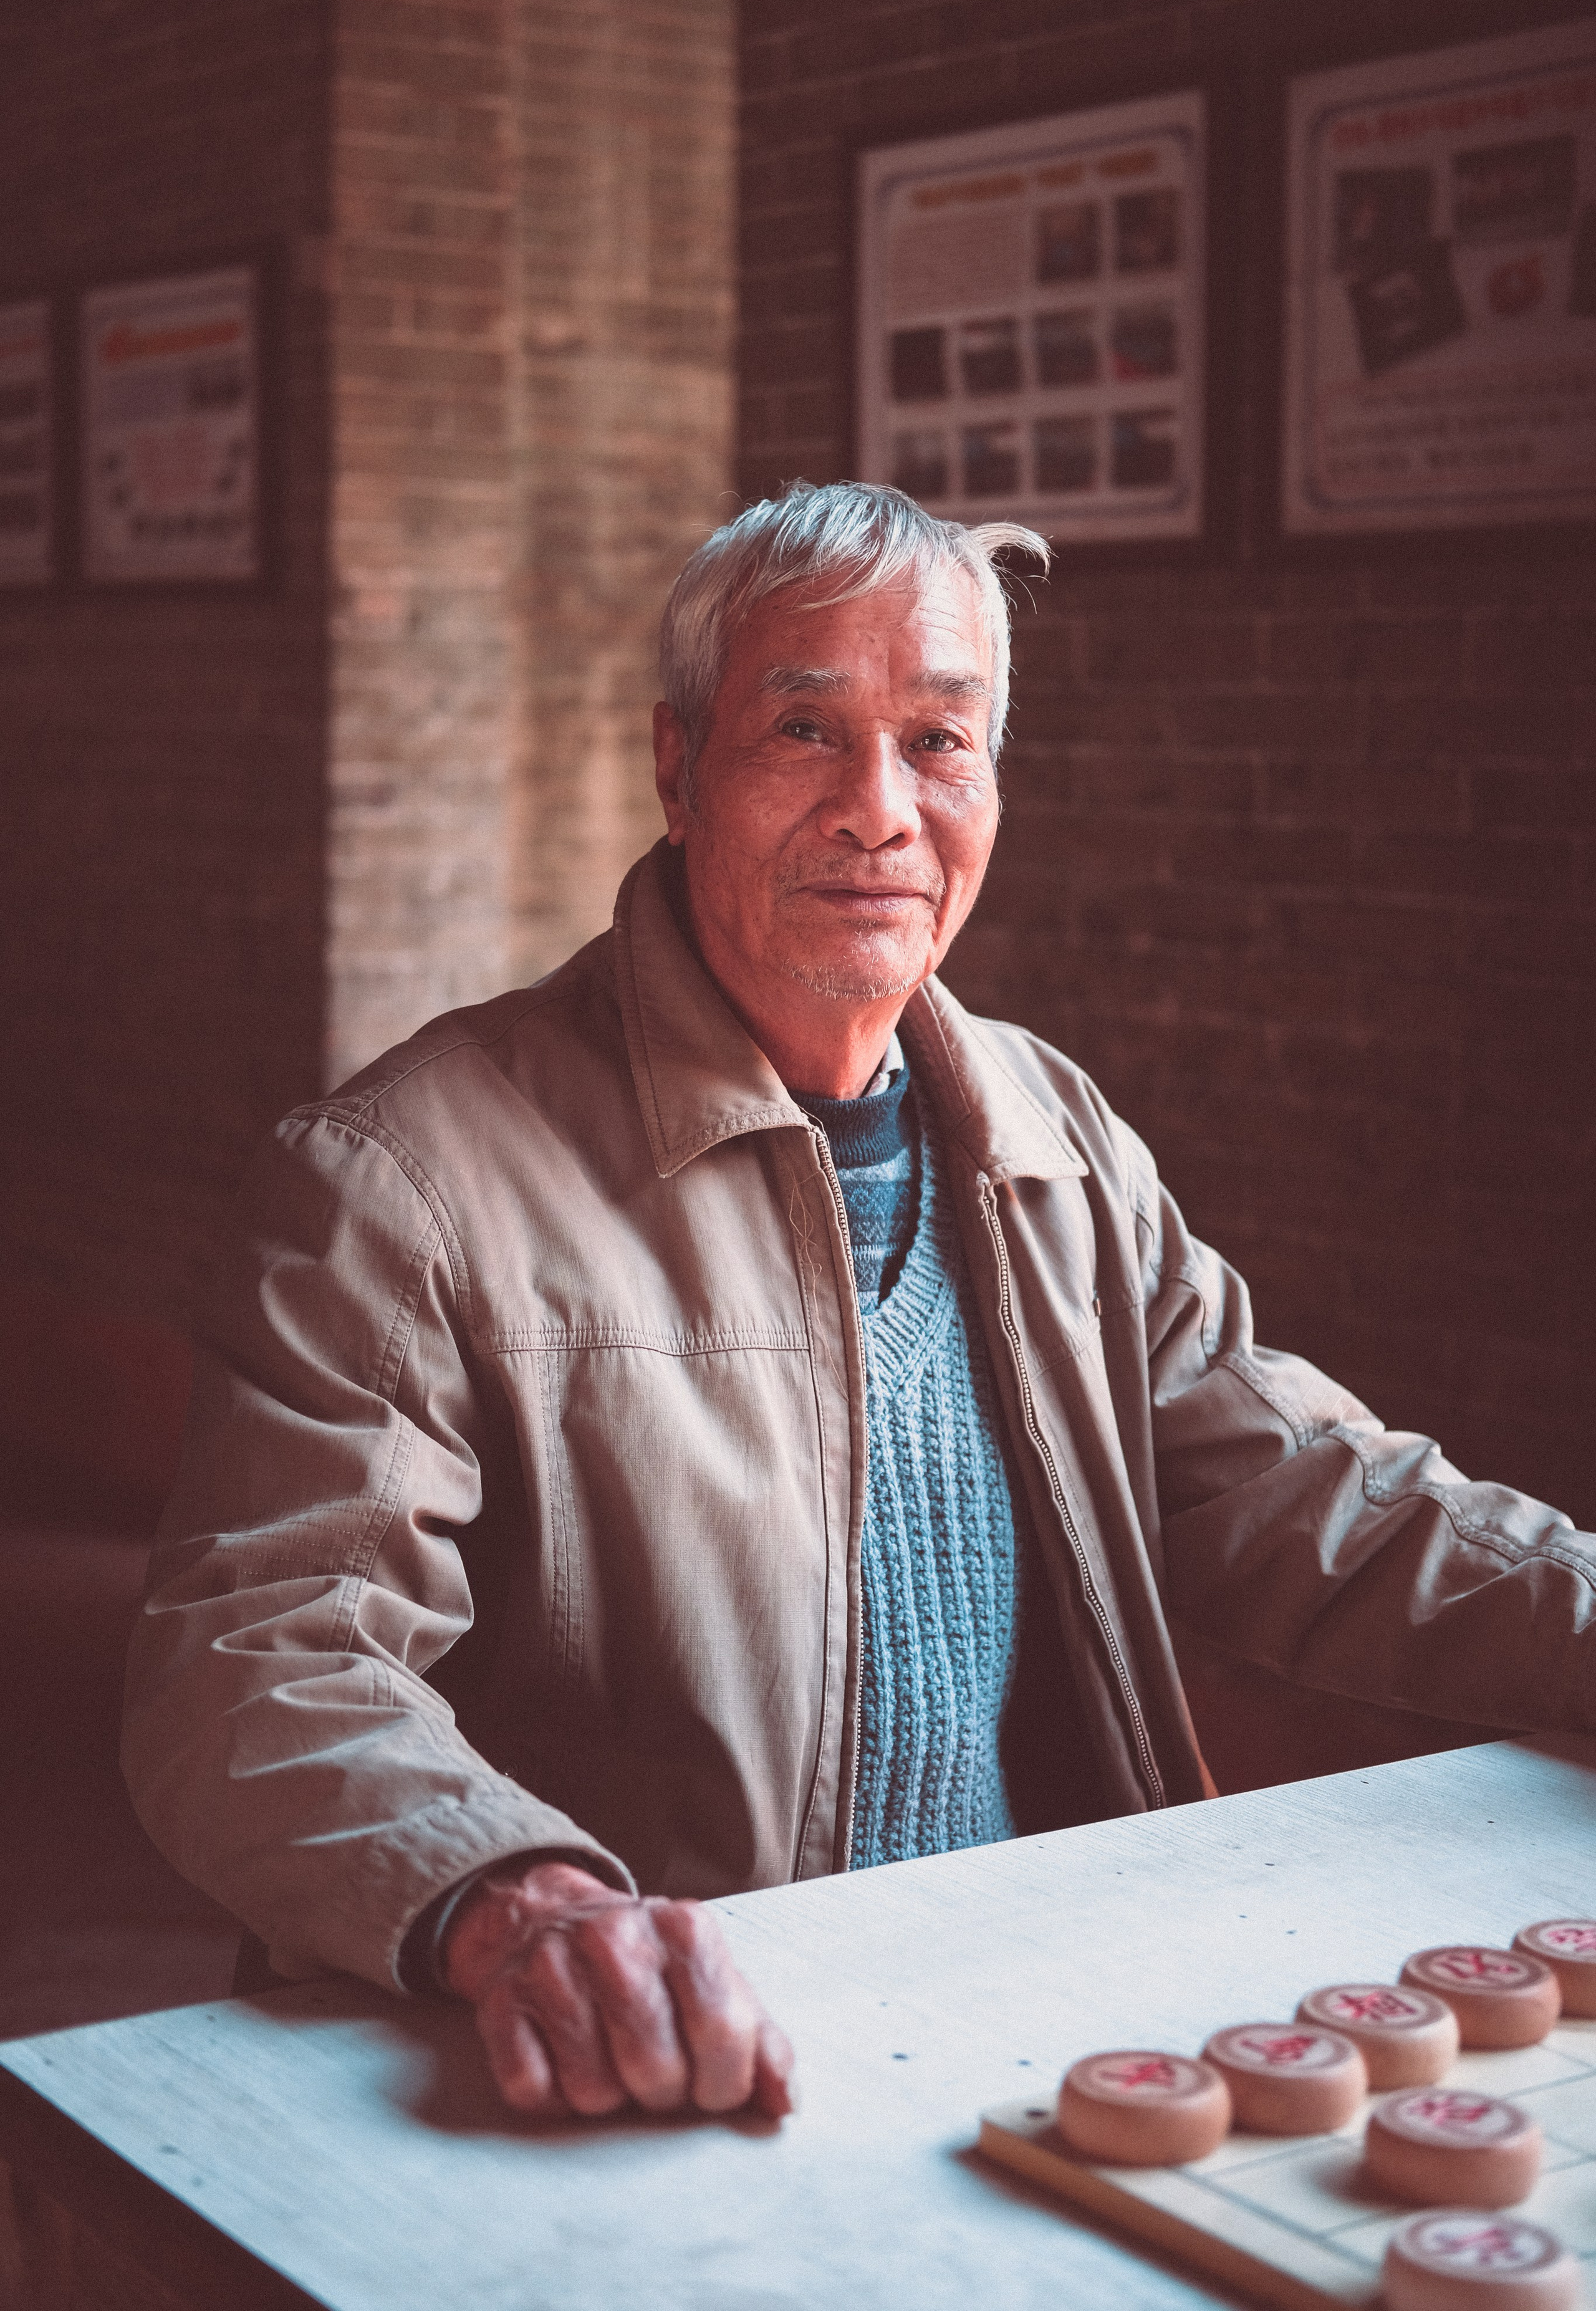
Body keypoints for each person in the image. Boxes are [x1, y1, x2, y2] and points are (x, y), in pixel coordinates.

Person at [123, 482, 1594, 2126]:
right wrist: (516, 1895)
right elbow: (264, 1656)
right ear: (681, 770)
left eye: (940, 742)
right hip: (671, 2070)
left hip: (1013, 2034)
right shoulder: (406, 1181)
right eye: (807, 731)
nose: (880, 809)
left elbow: (1300, 1493)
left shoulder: (1055, 1139)